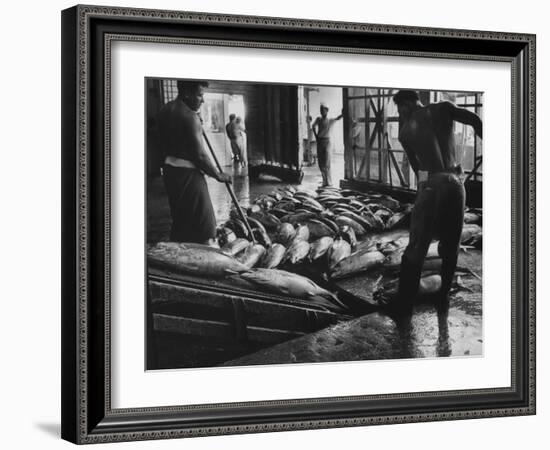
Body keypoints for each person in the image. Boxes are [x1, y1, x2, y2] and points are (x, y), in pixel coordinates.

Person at [391, 90, 482, 314]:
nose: (400, 112)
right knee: (451, 245)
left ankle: (405, 304)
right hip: (455, 183)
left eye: (399, 108)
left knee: (417, 247)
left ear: (404, 104)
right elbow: (475, 120)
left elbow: (418, 168)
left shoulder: (404, 132)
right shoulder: (443, 108)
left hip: (431, 184)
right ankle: (443, 298)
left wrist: (424, 191)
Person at [156, 80, 232, 244]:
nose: (202, 100)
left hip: (171, 172)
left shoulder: (164, 110)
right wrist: (218, 175)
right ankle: (204, 259)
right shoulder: (190, 117)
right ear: (186, 94)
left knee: (181, 218)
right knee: (206, 225)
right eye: (200, 95)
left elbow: (161, 143)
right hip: (188, 174)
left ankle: (181, 253)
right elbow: (200, 155)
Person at [311, 103, 343, 186]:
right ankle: (324, 180)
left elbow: (338, 118)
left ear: (327, 111)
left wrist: (343, 113)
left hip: (327, 142)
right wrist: (316, 136)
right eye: (321, 110)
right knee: (321, 162)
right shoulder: (318, 119)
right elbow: (313, 126)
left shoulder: (330, 120)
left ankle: (329, 182)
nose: (322, 111)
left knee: (326, 162)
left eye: (323, 110)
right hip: (320, 141)